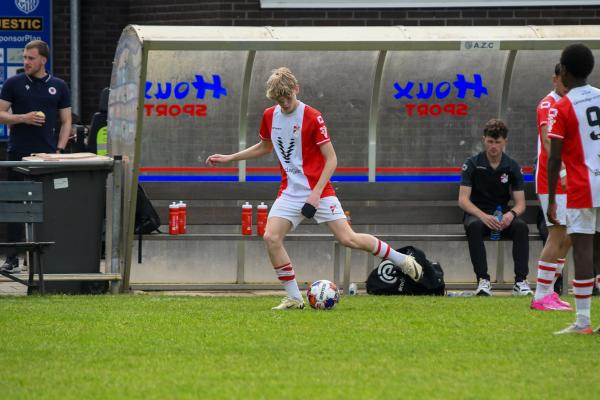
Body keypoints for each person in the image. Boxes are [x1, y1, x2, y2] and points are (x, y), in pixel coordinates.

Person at [206, 67, 423, 310]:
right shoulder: (269, 115)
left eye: (287, 98)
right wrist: (229, 158)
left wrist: (316, 192)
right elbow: (264, 147)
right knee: (271, 237)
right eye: (279, 100)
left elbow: (332, 160)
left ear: (296, 89)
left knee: (347, 238)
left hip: (318, 190)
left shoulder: (312, 116)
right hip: (289, 191)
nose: (285, 103)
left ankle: (402, 260)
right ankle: (294, 298)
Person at [0, 40, 71, 273]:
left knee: (46, 206)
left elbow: (66, 120)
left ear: (43, 60)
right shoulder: (14, 83)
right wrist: (23, 118)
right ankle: (12, 257)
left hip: (47, 156)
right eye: (24, 58)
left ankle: (43, 257)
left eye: (31, 58)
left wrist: (59, 150)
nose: (26, 62)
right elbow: (1, 114)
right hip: (18, 154)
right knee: (14, 205)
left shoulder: (59, 86)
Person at [547, 43, 600, 335]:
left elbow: (554, 158)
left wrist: (553, 199)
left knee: (583, 250)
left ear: (564, 71)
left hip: (583, 185)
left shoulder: (562, 106)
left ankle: (582, 322)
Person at [458, 119, 531, 296]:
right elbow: (463, 200)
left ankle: (520, 282)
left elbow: (521, 203)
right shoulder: (472, 164)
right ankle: (483, 281)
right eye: (490, 141)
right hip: (478, 215)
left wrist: (511, 215)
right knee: (474, 226)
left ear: (505, 141)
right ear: (484, 140)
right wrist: (483, 216)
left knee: (521, 227)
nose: (494, 146)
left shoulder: (512, 166)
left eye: (498, 142)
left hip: (501, 217)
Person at [530, 64, 573, 311]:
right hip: (552, 179)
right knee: (557, 233)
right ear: (555, 79)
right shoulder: (547, 104)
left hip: (570, 178)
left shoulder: (570, 103)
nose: (567, 85)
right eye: (563, 80)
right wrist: (565, 171)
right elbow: (548, 141)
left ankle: (548, 290)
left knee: (569, 237)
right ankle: (541, 295)